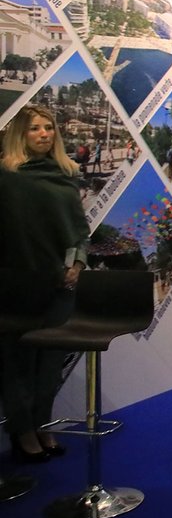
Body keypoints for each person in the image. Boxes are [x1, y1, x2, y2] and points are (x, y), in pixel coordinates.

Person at [0, 105, 88, 462]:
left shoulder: (66, 174)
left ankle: (42, 425)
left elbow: (79, 229)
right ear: (21, 134)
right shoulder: (7, 177)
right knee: (16, 364)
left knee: (50, 365)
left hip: (59, 286)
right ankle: (22, 432)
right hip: (14, 288)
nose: (43, 134)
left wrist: (78, 262)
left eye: (48, 127)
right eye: (35, 128)